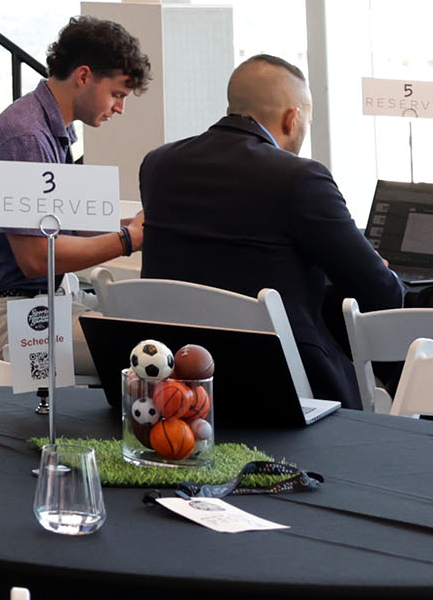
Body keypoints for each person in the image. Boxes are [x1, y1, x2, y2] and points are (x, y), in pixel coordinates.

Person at [137, 54, 403, 409]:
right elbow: (379, 291)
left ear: (231, 109)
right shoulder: (300, 178)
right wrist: (382, 272)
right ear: (292, 118)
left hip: (176, 384)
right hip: (279, 387)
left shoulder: (157, 165)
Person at [0, 15, 149, 365]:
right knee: (147, 351)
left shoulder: (44, 127)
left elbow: (66, 222)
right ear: (83, 76)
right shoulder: (25, 138)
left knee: (149, 326)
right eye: (117, 94)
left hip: (29, 301)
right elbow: (37, 259)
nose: (120, 108)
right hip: (6, 311)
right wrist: (128, 240)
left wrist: (138, 225)